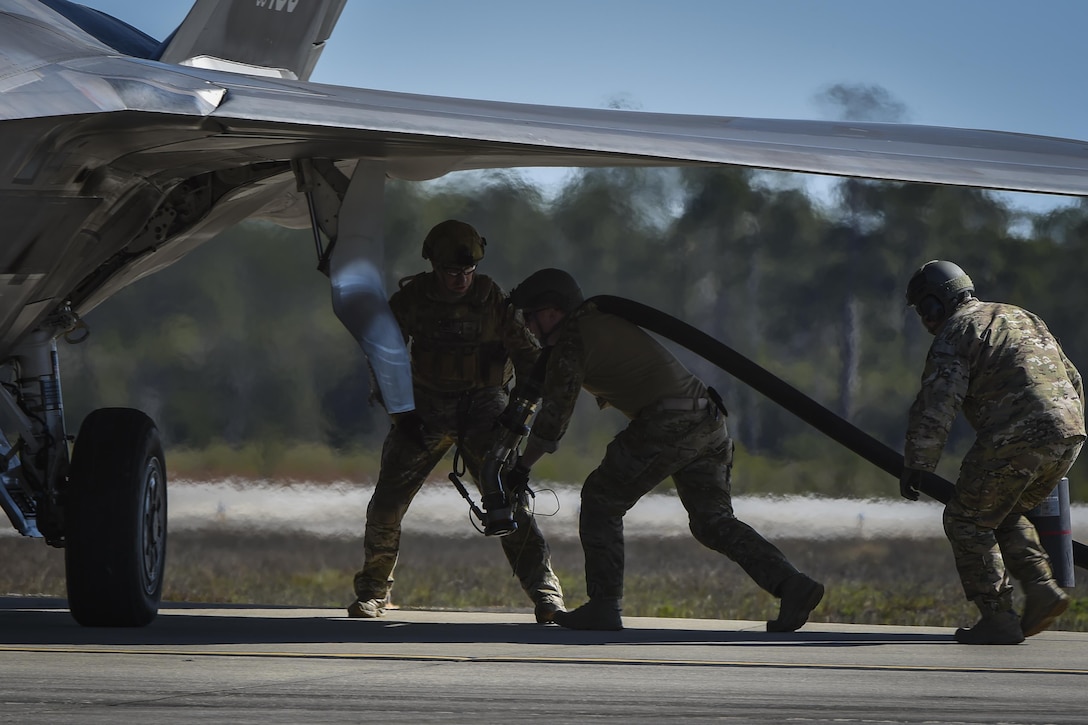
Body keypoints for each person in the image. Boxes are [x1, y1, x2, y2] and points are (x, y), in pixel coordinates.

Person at [505, 268, 824, 631]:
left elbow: (553, 421)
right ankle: (792, 584)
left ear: (551, 313)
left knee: (600, 500)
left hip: (669, 422)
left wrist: (521, 468)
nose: (528, 328)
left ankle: (604, 605)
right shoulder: (595, 323)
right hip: (707, 418)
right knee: (712, 522)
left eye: (530, 318)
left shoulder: (574, 339)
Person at [348, 220, 565, 623]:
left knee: (508, 505)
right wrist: (400, 410)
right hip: (423, 410)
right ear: (433, 265)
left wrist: (518, 416)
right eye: (451, 273)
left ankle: (546, 595)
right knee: (386, 506)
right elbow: (383, 353)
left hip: (484, 408)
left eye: (467, 273)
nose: (460, 280)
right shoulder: (413, 301)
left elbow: (531, 362)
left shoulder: (495, 302)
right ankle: (374, 593)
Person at [900, 260, 1085, 645]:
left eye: (923, 308)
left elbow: (937, 404)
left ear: (938, 302)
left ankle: (998, 615)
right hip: (1069, 433)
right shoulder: (1022, 317)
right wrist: (1068, 430)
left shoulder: (956, 331)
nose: (924, 319)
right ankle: (1040, 587)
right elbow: (1074, 378)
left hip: (1017, 435)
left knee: (965, 520)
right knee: (1000, 511)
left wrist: (918, 463)